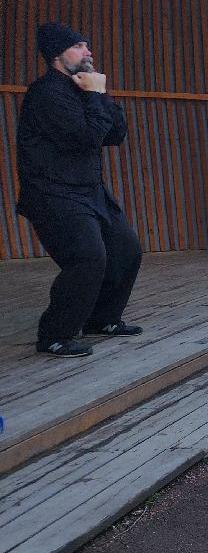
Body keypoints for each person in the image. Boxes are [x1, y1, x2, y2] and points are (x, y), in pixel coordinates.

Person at [16, 23, 143, 359]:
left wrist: (100, 94)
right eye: (80, 47)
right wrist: (93, 95)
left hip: (89, 191)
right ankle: (54, 336)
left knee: (127, 250)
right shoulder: (45, 93)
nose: (88, 53)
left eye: (88, 46)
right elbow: (86, 137)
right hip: (52, 194)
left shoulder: (85, 87)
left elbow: (115, 134)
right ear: (58, 54)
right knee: (88, 257)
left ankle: (103, 319)